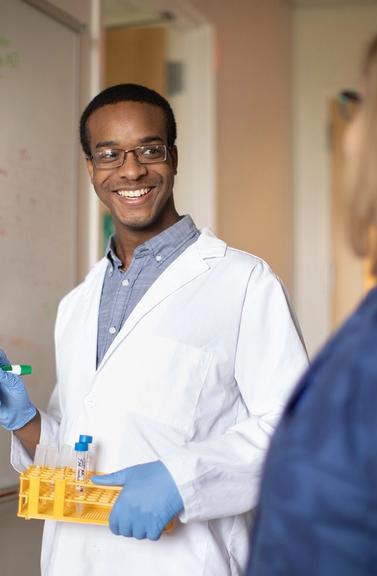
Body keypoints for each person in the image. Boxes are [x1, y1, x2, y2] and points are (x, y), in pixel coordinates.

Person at [0, 83, 307, 576]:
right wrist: (24, 422)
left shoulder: (243, 282)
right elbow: (78, 453)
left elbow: (295, 430)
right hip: (74, 559)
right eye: (109, 154)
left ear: (174, 157)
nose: (131, 169)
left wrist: (179, 480)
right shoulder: (77, 303)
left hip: (187, 561)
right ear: (91, 169)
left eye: (149, 149)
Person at [246, 28, 377, 576]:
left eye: (366, 104)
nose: (351, 131)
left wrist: (183, 479)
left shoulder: (249, 280)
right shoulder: (368, 329)